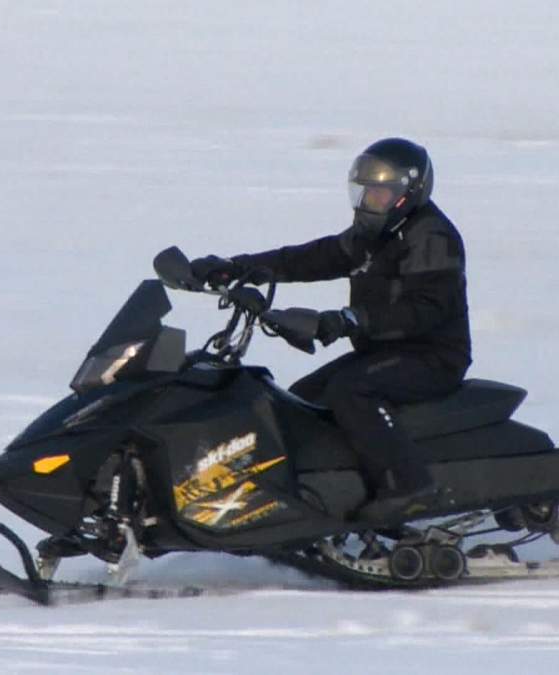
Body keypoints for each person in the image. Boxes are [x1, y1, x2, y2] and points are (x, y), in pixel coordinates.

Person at [190, 137, 471, 523]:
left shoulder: (431, 237)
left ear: (408, 193)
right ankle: (324, 493)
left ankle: (408, 487)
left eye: (379, 194)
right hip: (384, 351)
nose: (368, 202)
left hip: (432, 356)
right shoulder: (374, 235)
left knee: (351, 390)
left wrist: (347, 320)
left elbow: (427, 310)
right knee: (300, 401)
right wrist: (238, 267)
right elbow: (313, 258)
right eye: (365, 193)